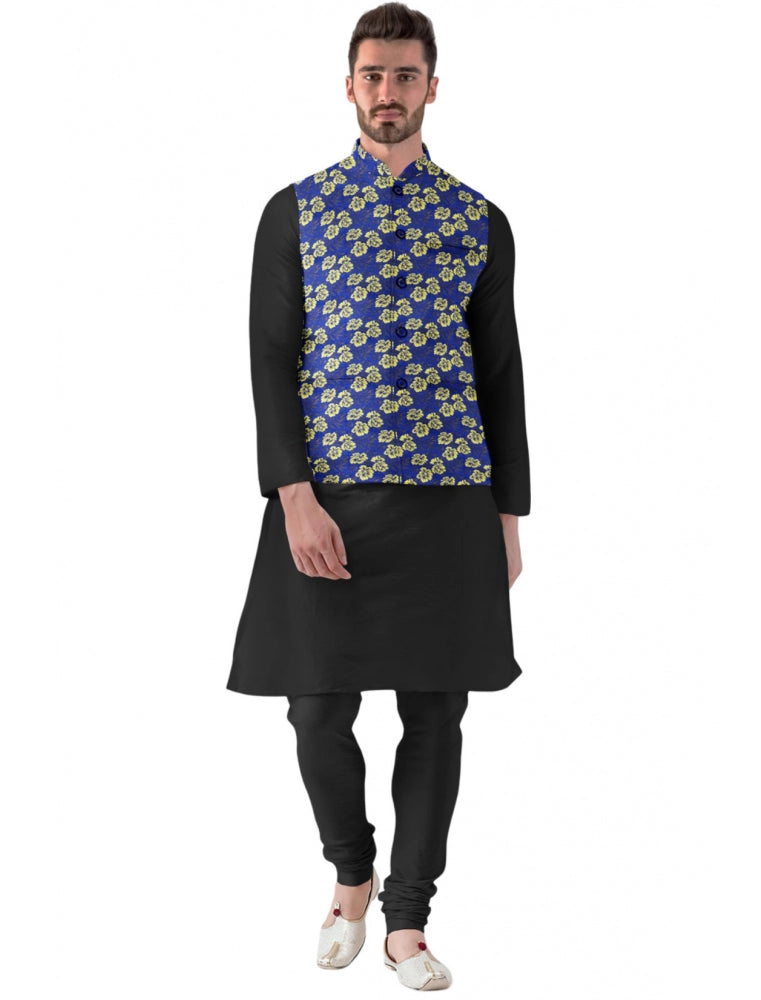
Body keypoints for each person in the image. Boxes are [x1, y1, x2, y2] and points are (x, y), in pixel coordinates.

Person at [227, 2, 530, 990]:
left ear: (432, 86)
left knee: (435, 715)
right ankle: (350, 874)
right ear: (348, 85)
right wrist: (292, 494)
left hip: (450, 501)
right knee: (315, 708)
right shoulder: (296, 211)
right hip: (330, 500)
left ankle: (407, 920)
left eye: (405, 75)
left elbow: (499, 374)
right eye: (373, 74)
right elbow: (271, 359)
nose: (388, 92)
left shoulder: (479, 221)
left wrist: (508, 516)